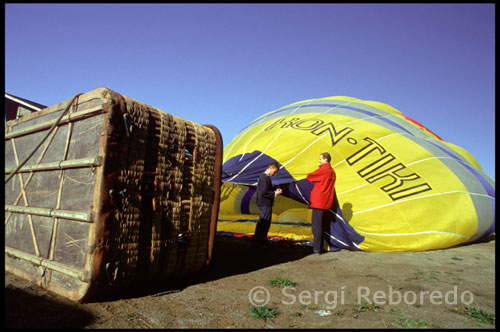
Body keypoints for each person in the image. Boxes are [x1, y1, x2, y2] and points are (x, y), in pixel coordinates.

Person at [307, 152, 336, 254]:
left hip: (318, 201)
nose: (319, 161)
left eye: (320, 159)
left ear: (325, 160)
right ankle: (320, 246)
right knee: (322, 224)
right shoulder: (332, 172)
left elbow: (310, 176)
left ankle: (317, 248)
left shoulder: (323, 170)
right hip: (326, 201)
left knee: (316, 225)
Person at [253, 162, 282, 247]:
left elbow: (265, 189)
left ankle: (260, 241)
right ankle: (259, 242)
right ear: (271, 168)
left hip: (264, 203)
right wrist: (275, 193)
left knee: (264, 222)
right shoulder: (264, 177)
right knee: (264, 223)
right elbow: (264, 192)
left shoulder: (265, 178)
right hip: (265, 203)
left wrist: (274, 190)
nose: (275, 174)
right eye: (275, 171)